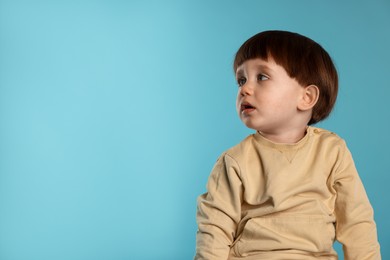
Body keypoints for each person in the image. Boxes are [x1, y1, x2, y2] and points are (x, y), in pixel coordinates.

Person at [195, 30, 381, 259]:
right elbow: (214, 229)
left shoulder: (332, 151)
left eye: (261, 77)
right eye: (241, 80)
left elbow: (356, 222)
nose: (244, 89)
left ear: (306, 97)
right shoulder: (234, 161)